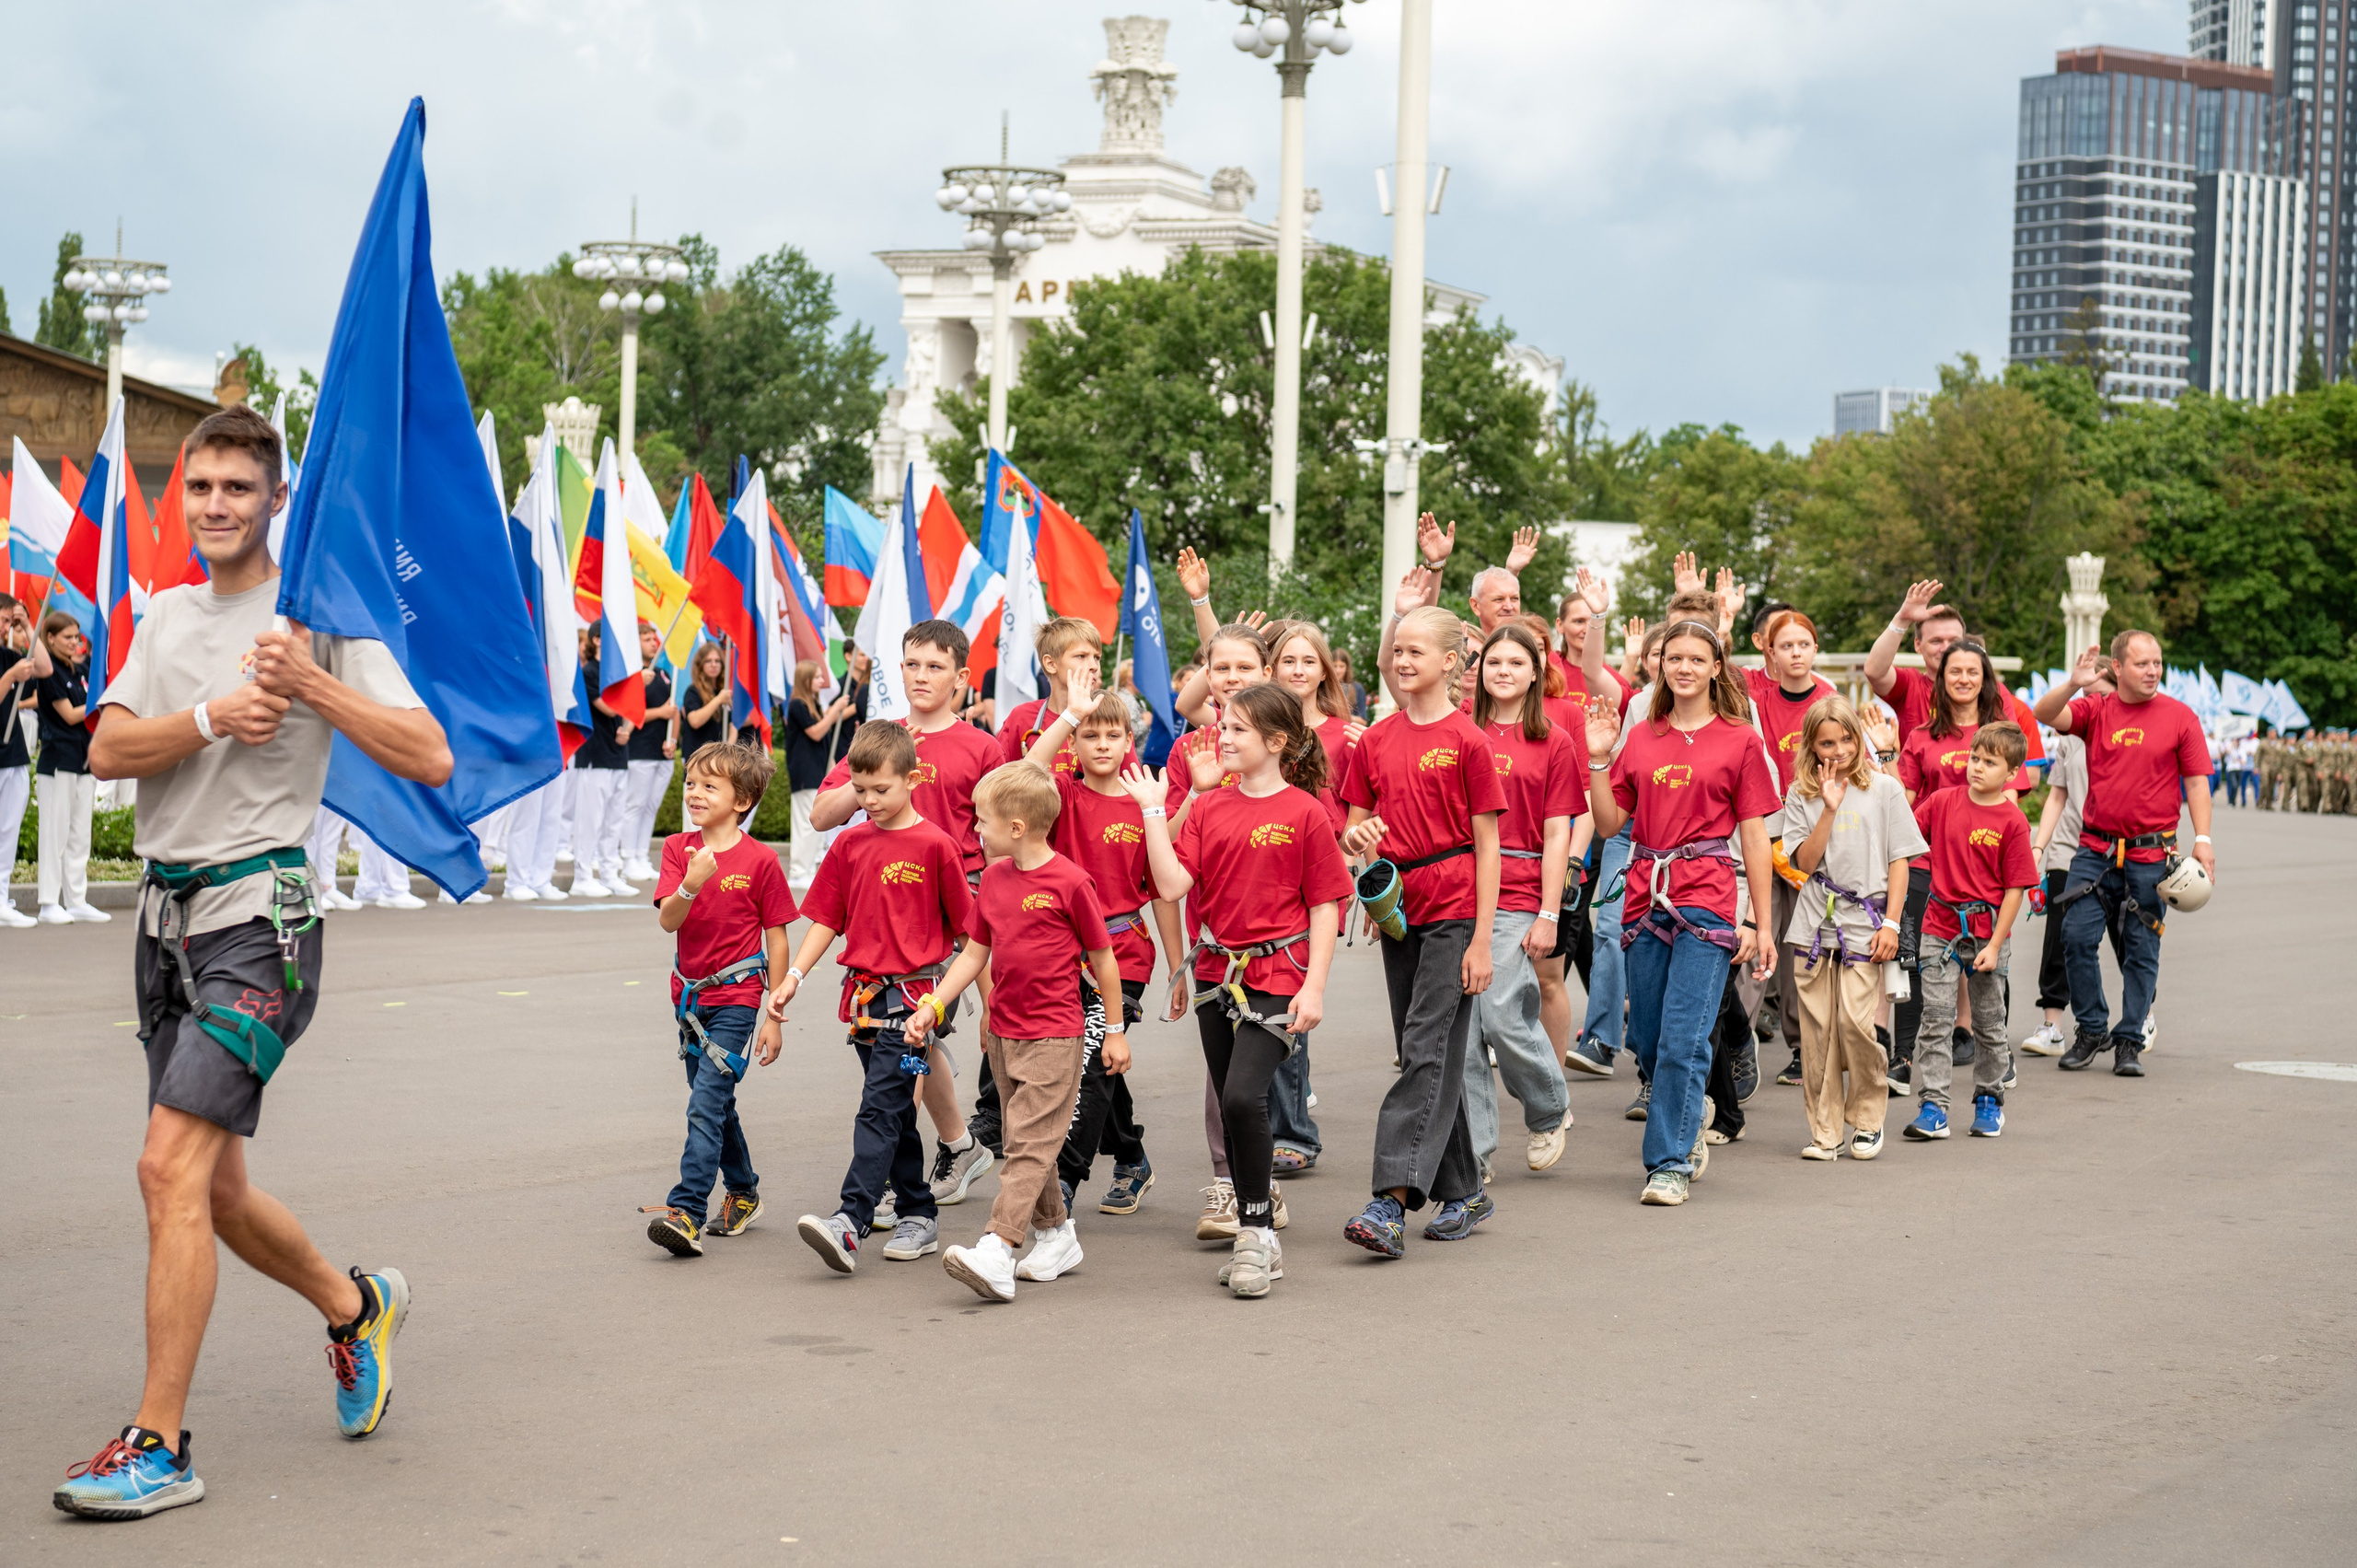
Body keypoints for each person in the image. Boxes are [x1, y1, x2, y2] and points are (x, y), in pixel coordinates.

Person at [59, 405, 451, 1519]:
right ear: (182, 497)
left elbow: (428, 751)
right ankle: (354, 1301)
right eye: (201, 489)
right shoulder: (165, 612)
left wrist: (312, 682)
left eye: (239, 488)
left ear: (279, 499)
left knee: (164, 1170)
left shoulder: (320, 617)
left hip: (260, 921)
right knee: (215, 1190)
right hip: (164, 922)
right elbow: (104, 745)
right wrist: (213, 714)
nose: (217, 506)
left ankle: (159, 1443)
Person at [1123, 681, 1347, 1296]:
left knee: (1246, 1097)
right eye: (1224, 724)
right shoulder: (1207, 806)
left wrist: (1316, 986)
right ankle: (1259, 1224)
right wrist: (1151, 808)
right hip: (1213, 974)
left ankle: (1255, 1232)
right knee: (1230, 1100)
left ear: (1277, 741)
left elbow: (1326, 905)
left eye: (1240, 728)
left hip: (1278, 975)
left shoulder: (1304, 811)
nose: (1223, 734)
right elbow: (1169, 885)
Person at [908, 761, 1124, 1305]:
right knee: (1030, 1141)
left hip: (1056, 1035)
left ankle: (998, 1247)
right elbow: (975, 950)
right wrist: (935, 1004)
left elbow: (1104, 959)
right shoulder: (996, 880)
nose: (975, 830)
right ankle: (1056, 1235)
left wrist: (1117, 1031)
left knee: (1027, 1145)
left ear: (1017, 827)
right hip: (1005, 1034)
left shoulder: (1071, 882)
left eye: (981, 821)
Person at [1580, 617, 1779, 1206]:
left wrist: (1762, 924)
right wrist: (1596, 759)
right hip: (1644, 894)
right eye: (1673, 659)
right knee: (1644, 1036)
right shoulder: (1641, 737)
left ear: (1717, 667)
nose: (1684, 668)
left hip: (1709, 895)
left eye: (1697, 658)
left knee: (1684, 1038)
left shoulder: (1741, 739)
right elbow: (1612, 823)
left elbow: (1755, 837)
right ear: (1659, 666)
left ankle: (1667, 1160)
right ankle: (1687, 1116)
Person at [808, 622, 1002, 1209]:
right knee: (912, 1039)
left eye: (935, 667)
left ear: (961, 678)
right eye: (911, 665)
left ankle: (894, 1180)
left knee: (910, 1041)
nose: (921, 677)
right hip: (891, 906)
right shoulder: (880, 737)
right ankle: (955, 1145)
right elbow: (822, 815)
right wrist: (871, 777)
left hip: (956, 904)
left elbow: (997, 844)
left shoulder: (982, 747)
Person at [771, 721, 973, 1272]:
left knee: (880, 1107)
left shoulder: (937, 845)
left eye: (880, 790)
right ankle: (918, 1212)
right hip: (862, 1003)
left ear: (912, 779)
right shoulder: (850, 844)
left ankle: (850, 1219)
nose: (868, 801)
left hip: (914, 1009)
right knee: (894, 1114)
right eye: (860, 791)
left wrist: (959, 1000)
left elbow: (970, 935)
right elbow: (825, 920)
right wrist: (795, 978)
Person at [1337, 603, 1506, 1256]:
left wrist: (1485, 938)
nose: (1403, 661)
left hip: (1457, 909)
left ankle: (1390, 1200)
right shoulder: (1377, 738)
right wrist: (1360, 840)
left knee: (1428, 1047)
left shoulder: (1469, 740)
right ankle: (1464, 1188)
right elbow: (1356, 828)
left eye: (1416, 651)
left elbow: (1488, 846)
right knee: (1423, 1051)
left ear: (1448, 662)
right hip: (1400, 909)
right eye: (1397, 651)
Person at [1022, 676, 1187, 1218]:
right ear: (1075, 743)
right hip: (1063, 949)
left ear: (1128, 741)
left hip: (1124, 954)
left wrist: (1177, 966)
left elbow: (1162, 891)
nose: (1100, 745)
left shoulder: (1146, 802)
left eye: (1112, 735)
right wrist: (1069, 714)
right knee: (1094, 1059)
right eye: (1089, 735)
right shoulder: (1061, 795)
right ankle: (1132, 1156)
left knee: (1088, 1066)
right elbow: (1026, 772)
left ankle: (1064, 1182)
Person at [2031, 631, 2215, 1076]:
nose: (2153, 671)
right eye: (2142, 664)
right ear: (2117, 667)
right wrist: (2074, 683)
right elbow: (2044, 713)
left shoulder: (2180, 717)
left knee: (2141, 947)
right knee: (2075, 938)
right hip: (2094, 850)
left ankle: (2130, 1040)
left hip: (2152, 854)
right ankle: (2092, 1028)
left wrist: (2203, 839)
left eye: (2157, 662)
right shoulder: (2096, 710)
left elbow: (2195, 782)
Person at [640, 742, 795, 1258]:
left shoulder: (761, 860)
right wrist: (691, 882)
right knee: (716, 1104)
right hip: (689, 1003)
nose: (695, 793)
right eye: (692, 783)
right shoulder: (677, 847)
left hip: (739, 1000)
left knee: (704, 1107)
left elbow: (776, 938)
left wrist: (773, 1014)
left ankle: (686, 1212)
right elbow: (668, 920)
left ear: (743, 799)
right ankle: (745, 1190)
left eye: (711, 786)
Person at [1462, 622, 1585, 1177]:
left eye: (1516, 662)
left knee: (1499, 1016)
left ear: (1535, 671)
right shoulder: (1461, 731)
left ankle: (1548, 1108)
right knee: (1463, 1033)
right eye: (1494, 662)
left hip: (1521, 893)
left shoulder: (1554, 740)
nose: (1504, 671)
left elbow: (1558, 832)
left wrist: (1549, 911)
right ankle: (1477, 1152)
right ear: (1479, 672)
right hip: (1459, 893)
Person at [1779, 697, 1921, 1159]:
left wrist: (1894, 924)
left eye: (1846, 740)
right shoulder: (1800, 793)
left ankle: (1866, 1117)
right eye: (1827, 743)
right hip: (1816, 920)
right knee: (1817, 1033)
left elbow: (1900, 860)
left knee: (1855, 1025)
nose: (1838, 750)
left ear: (1859, 740)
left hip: (1869, 920)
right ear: (1812, 747)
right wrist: (1827, 807)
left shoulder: (1884, 789)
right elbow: (1803, 862)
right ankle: (1824, 1132)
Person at [1893, 638, 2034, 1088]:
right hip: (1929, 883)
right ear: (1940, 677)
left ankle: (1989, 1075)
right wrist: (1880, 756)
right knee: (1920, 980)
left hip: (1984, 893)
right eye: (1955, 670)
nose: (1964, 679)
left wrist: (1975, 854)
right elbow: (1903, 815)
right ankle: (1924, 1087)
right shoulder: (1921, 740)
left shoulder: (2002, 736)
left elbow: (2010, 820)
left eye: (1973, 671)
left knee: (1987, 1001)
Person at [1903, 722, 2038, 1141]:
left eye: (1990, 762)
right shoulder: (1942, 802)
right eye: (1975, 757)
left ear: (2011, 771)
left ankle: (1988, 1097)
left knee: (1988, 1021)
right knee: (1936, 1018)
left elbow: (2016, 889)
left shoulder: (2013, 821)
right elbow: (1903, 832)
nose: (1977, 767)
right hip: (1940, 926)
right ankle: (1934, 1106)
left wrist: (1996, 944)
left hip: (1986, 932)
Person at [1745, 607, 1836, 1091]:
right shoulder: (1757, 694)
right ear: (1770, 651)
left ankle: (1804, 1047)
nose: (1796, 653)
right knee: (1759, 933)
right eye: (1786, 645)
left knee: (1804, 944)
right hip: (1764, 831)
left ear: (1815, 649)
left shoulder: (1829, 699)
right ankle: (1737, 1041)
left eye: (1804, 644)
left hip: (1809, 837)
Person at [34, 611, 105, 923]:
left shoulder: (81, 670)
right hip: (58, 761)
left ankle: (76, 899)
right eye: (67, 637)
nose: (75, 643)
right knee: (55, 833)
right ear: (50, 638)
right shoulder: (48, 673)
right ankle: (49, 902)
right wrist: (99, 704)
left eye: (77, 637)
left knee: (79, 835)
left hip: (84, 760)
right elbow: (70, 715)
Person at [994, 615, 1109, 778]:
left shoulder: (1110, 715)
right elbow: (996, 784)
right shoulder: (1022, 718)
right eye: (1081, 656)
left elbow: (1130, 789)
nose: (1093, 666)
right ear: (1050, 664)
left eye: (1096, 657)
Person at [0, 590, 55, 928]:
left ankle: (2, 895)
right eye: (5, 619)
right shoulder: (8, 668)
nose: (7, 625)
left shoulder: (7, 655)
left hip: (13, 756)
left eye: (10, 620)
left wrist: (27, 623)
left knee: (8, 832)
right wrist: (9, 680)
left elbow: (45, 668)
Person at [568, 626, 633, 896]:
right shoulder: (590, 672)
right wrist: (628, 709)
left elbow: (632, 707)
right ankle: (582, 876)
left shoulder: (619, 675)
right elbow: (605, 705)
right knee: (590, 819)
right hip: (595, 754)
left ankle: (609, 873)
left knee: (613, 819)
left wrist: (627, 728)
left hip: (618, 755)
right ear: (596, 641)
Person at [783, 659, 855, 894]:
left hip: (816, 769)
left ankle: (808, 866)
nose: (822, 681)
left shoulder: (811, 704)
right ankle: (798, 870)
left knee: (811, 821)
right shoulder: (797, 705)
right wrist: (834, 712)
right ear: (806, 680)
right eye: (816, 677)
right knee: (805, 820)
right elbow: (816, 733)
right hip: (805, 771)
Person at [621, 622, 678, 885]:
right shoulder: (634, 676)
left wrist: (673, 739)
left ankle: (641, 856)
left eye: (654, 639)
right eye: (646, 639)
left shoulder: (665, 674)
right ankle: (627, 857)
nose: (653, 643)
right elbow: (628, 713)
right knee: (635, 805)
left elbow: (674, 711)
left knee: (651, 806)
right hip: (640, 751)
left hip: (661, 752)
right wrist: (659, 714)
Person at [1336, 649, 1370, 723]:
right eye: (1334, 666)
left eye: (1341, 666)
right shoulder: (1323, 687)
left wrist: (1345, 716)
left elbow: (1363, 721)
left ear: (1347, 667)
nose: (1337, 670)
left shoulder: (1357, 689)